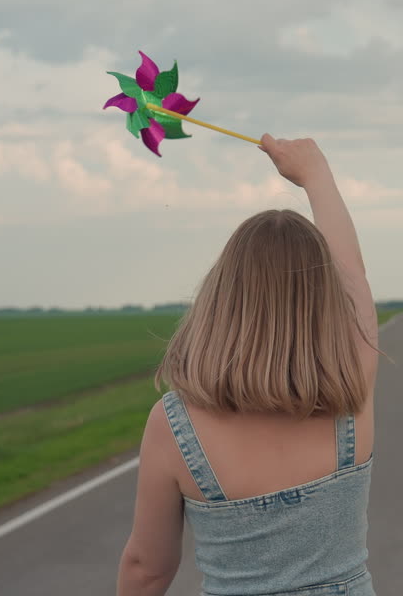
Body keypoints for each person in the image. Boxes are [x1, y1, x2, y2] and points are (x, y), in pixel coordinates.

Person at [117, 134, 380, 596]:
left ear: (221, 299)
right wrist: (315, 174)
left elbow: (146, 568)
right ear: (326, 305)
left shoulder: (173, 425)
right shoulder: (353, 388)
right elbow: (353, 275)